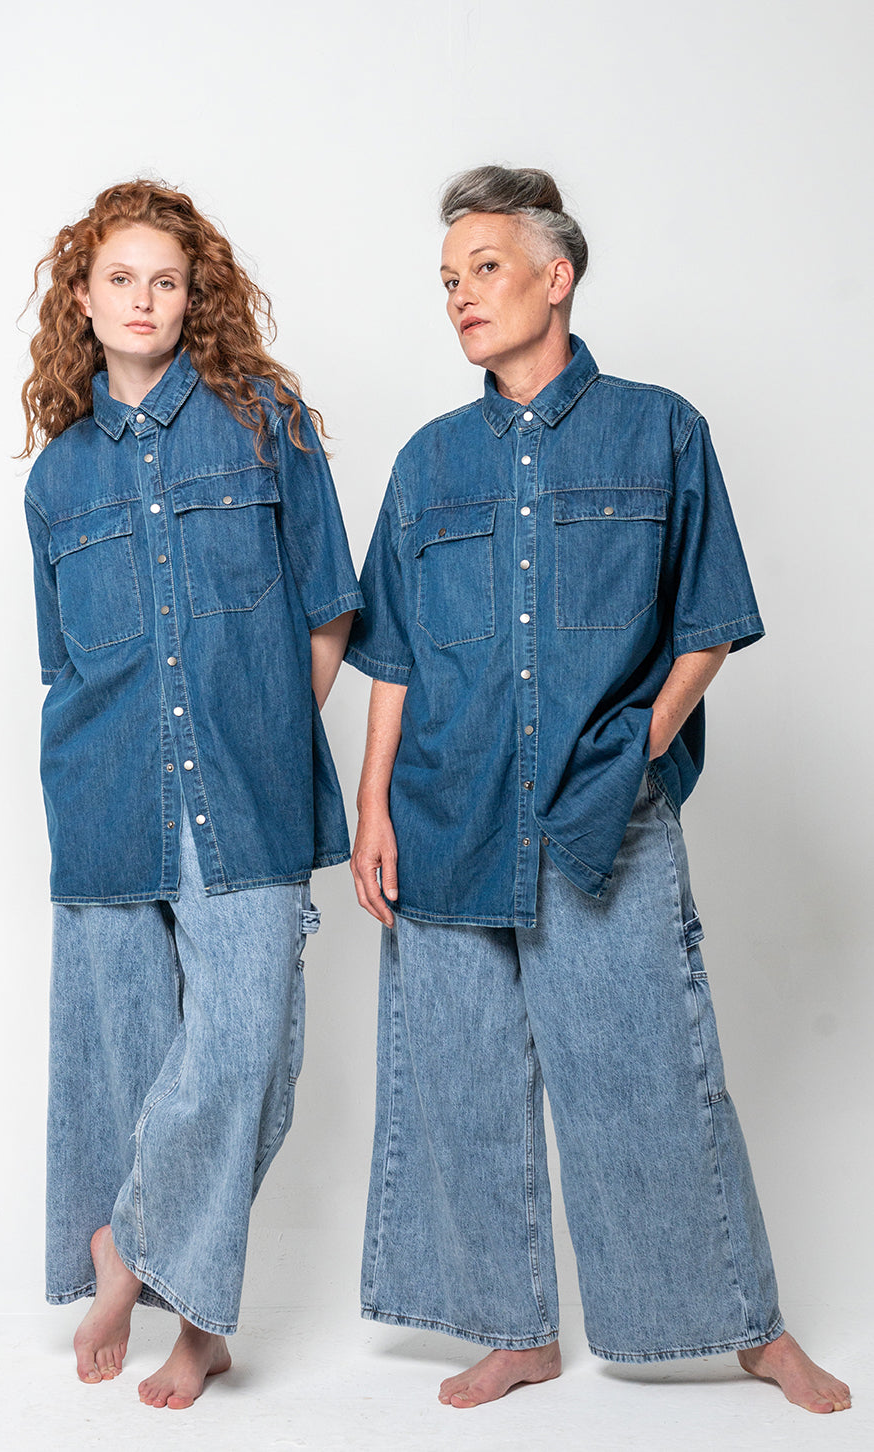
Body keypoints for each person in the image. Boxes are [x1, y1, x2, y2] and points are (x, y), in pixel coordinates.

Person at [346, 165, 850, 1415]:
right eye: (447, 281)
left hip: (600, 819)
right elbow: (393, 658)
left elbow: (710, 622)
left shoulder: (661, 431)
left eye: (485, 269)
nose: (462, 297)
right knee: (459, 1081)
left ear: (557, 275)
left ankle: (750, 1329)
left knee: (653, 1077)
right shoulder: (428, 463)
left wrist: (637, 752)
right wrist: (370, 809)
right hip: (446, 818)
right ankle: (511, 1331)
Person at [22, 180, 362, 1410]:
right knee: (131, 1070)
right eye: (121, 278)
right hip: (106, 803)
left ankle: (128, 1249)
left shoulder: (266, 422)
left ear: (192, 296)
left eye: (165, 280)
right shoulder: (58, 480)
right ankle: (202, 1327)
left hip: (248, 796)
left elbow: (329, 609)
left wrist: (263, 737)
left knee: (244, 1055)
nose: (143, 300)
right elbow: (65, 666)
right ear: (83, 297)